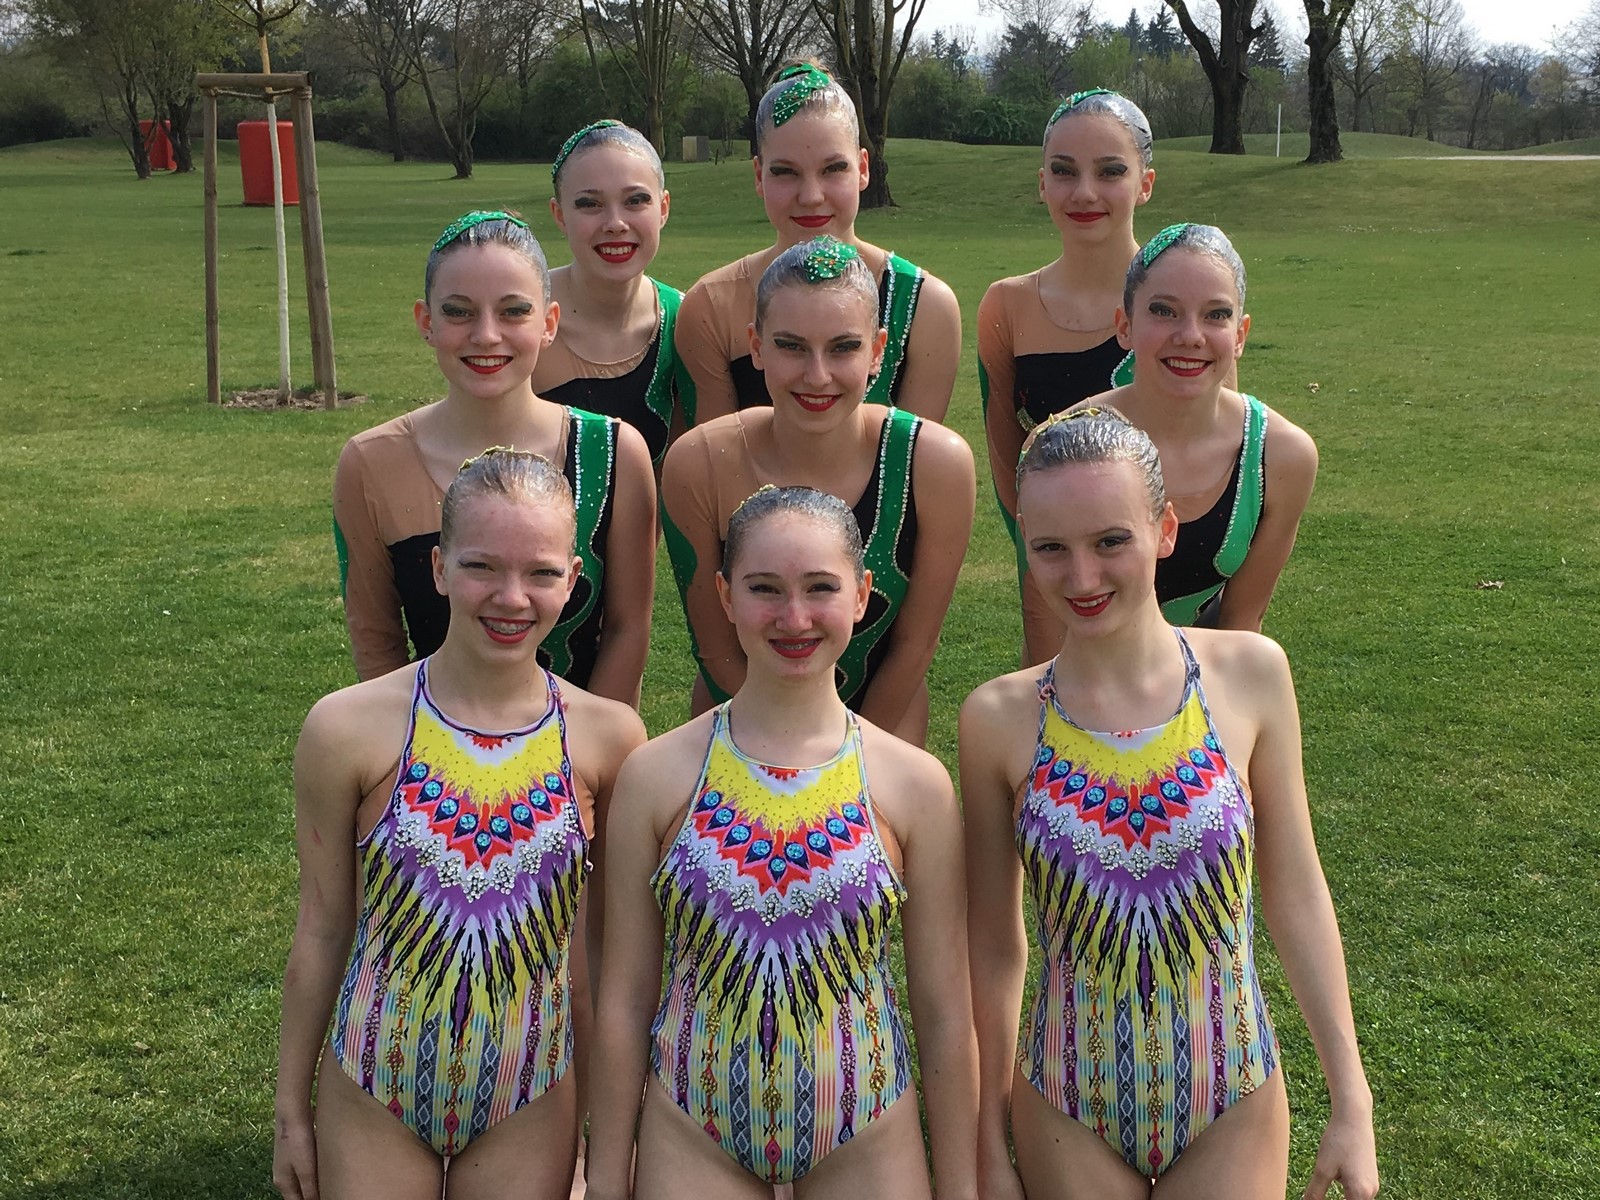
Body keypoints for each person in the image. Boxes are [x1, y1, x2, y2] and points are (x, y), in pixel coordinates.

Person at [960, 408, 1378, 1200]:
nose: (1081, 578)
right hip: (1065, 1098)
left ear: (1164, 529)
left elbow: (1293, 888)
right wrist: (989, 1137)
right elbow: (992, 944)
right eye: (1051, 547)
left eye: (1110, 540)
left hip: (1234, 1091)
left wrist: (1350, 1097)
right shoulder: (998, 720)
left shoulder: (1251, 676)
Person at [585, 485, 979, 1200]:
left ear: (861, 595)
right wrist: (609, 1178)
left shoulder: (914, 785)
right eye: (764, 589)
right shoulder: (659, 775)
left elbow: (945, 1011)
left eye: (820, 588)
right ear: (724, 595)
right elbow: (625, 997)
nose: (793, 617)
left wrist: (959, 1187)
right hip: (691, 1128)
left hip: (866, 1131)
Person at [275, 449, 647, 1200]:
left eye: (541, 572)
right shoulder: (349, 729)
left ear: (574, 579)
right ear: (440, 569)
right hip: (375, 1078)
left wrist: (609, 1138)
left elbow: (602, 960)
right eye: (483, 567)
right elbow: (321, 926)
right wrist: (290, 1108)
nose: (512, 597)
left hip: (532, 1088)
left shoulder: (609, 740)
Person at [661, 237, 975, 747]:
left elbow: (914, 647)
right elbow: (716, 650)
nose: (818, 375)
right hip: (739, 721)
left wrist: (851, 755)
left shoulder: (936, 464)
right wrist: (783, 752)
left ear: (877, 350)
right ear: (757, 347)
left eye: (843, 347)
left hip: (884, 723)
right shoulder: (699, 462)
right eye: (791, 346)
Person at [333, 210, 656, 705]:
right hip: (429, 757)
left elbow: (627, 632)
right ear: (426, 322)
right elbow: (377, 641)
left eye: (513, 312)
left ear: (549, 322)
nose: (486, 335)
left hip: (581, 759)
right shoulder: (372, 462)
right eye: (459, 312)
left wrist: (593, 758)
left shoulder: (613, 452)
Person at [976, 89, 1157, 665]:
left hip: (1164, 563)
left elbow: (1220, 441)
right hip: (1051, 571)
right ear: (1042, 184)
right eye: (1064, 172)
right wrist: (1044, 553)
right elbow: (1007, 463)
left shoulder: (1180, 299)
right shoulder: (1006, 307)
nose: (1084, 193)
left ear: (1145, 184)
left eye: (1110, 172)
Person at [675, 64, 961, 425]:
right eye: (785, 172)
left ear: (862, 168)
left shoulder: (925, 307)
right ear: (758, 176)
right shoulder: (711, 307)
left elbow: (912, 463)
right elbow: (712, 465)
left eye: (833, 169)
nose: (811, 197)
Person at [1080, 222, 1317, 633]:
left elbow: (1241, 623)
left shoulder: (1280, 456)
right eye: (1164, 310)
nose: (1190, 336)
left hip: (1202, 675)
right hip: (1081, 678)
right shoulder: (1069, 444)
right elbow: (1047, 626)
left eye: (1216, 315)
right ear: (1125, 325)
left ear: (1240, 335)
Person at [537, 120, 690, 468]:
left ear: (663, 208)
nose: (615, 223)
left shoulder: (688, 322)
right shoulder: (518, 317)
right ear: (559, 215)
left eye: (635, 200)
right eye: (589, 204)